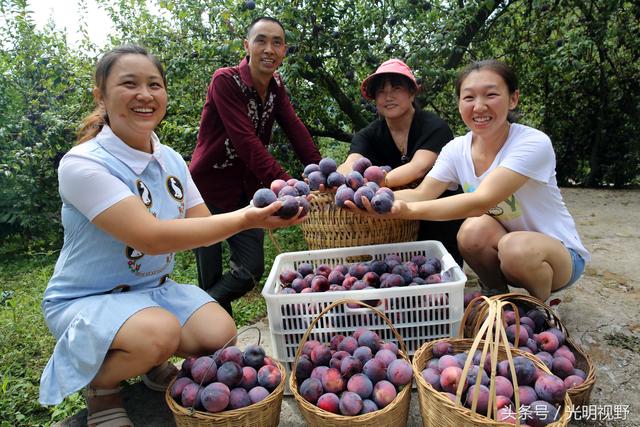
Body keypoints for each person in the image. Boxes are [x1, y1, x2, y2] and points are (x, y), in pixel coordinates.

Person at [38, 45, 307, 426]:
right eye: (129, 84)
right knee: (159, 333)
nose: (144, 95)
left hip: (151, 292)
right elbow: (150, 237)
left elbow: (201, 227)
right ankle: (101, 388)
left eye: (154, 85)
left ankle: (150, 366)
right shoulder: (83, 164)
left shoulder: (170, 160)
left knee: (221, 333)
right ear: (101, 94)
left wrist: (263, 213)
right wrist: (248, 218)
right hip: (88, 297)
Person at [346, 59, 590, 302]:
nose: (480, 106)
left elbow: (480, 201)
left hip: (558, 256)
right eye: (469, 98)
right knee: (471, 232)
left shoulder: (532, 143)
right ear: (459, 103)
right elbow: (422, 193)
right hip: (503, 246)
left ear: (513, 99)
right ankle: (496, 297)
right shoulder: (456, 149)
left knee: (514, 247)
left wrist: (406, 210)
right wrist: (374, 200)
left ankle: (539, 308)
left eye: (491, 95)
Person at [189, 16, 322, 315]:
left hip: (247, 190)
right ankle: (216, 341)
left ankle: (197, 310)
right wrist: (287, 184)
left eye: (276, 42)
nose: (268, 48)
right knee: (209, 272)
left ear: (284, 51)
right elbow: (245, 141)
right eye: (261, 40)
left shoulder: (276, 85)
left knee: (251, 268)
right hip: (207, 190)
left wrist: (320, 170)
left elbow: (294, 127)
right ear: (247, 45)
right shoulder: (225, 80)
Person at [337, 58, 463, 266]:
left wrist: (369, 187)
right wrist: (340, 180)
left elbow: (418, 167)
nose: (388, 96)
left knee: (438, 280)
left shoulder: (433, 127)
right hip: (392, 227)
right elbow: (351, 162)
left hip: (438, 221)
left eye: (396, 88)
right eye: (381, 91)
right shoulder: (368, 135)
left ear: (412, 93)